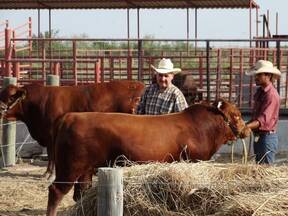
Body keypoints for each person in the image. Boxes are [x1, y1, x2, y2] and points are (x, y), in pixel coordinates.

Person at [245, 60, 281, 165]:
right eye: (256, 75)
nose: (256, 77)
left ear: (268, 75)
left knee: (265, 172)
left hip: (267, 138)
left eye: (259, 75)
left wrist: (245, 127)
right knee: (260, 169)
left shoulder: (271, 95)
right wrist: (245, 125)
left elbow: (262, 120)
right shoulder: (261, 92)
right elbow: (256, 117)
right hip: (260, 137)